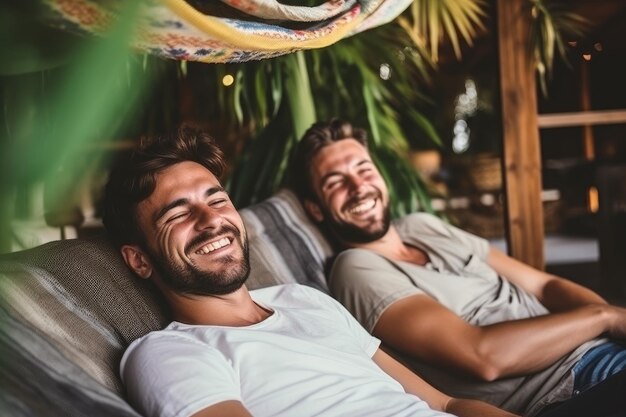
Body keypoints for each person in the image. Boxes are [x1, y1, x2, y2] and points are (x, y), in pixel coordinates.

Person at [101, 128, 517, 417]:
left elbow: (444, 404)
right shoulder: (168, 354)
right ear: (138, 259)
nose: (211, 221)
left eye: (217, 200)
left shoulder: (305, 299)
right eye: (178, 214)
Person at [290, 118, 626, 417]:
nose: (358, 186)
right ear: (316, 209)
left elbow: (544, 285)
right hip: (567, 385)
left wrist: (612, 325)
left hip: (599, 351)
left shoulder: (422, 225)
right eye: (335, 182)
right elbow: (483, 357)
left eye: (363, 169)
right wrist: (605, 316)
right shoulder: (356, 268)